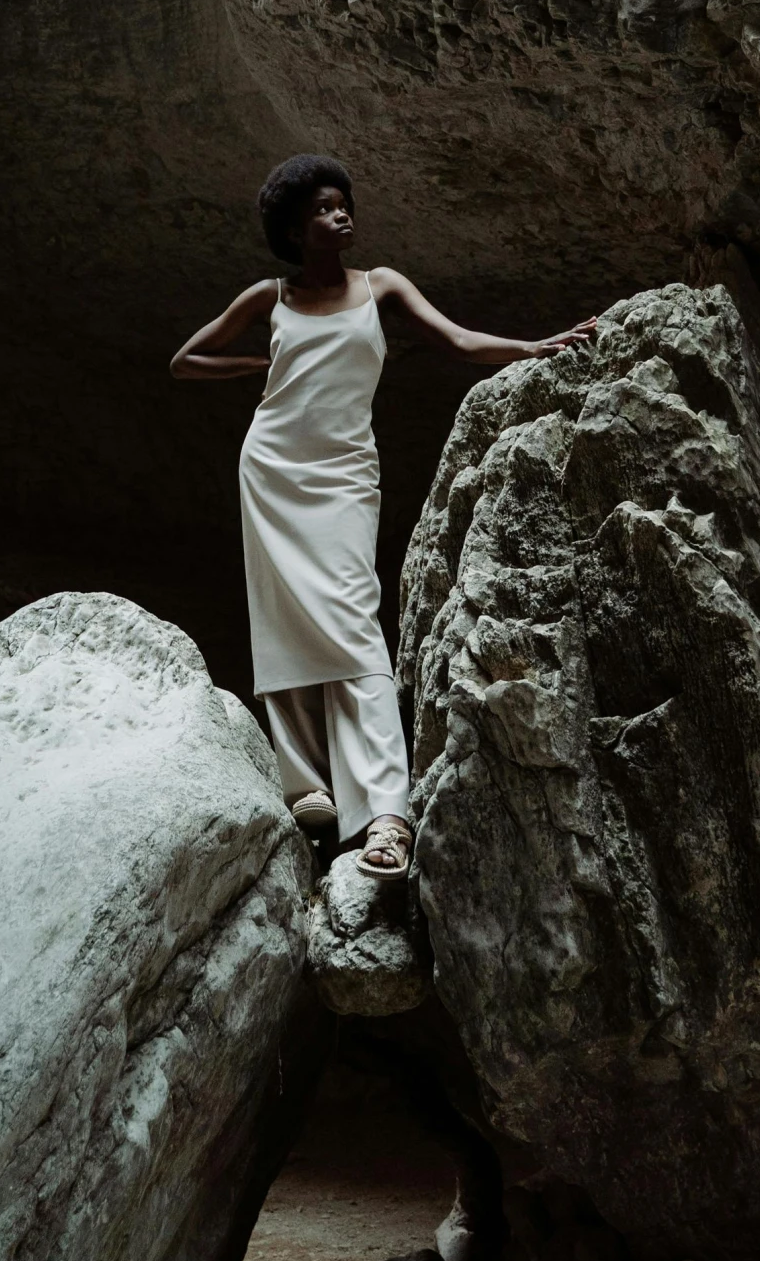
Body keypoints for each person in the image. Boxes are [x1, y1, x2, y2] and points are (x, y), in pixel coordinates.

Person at [170, 155, 598, 878]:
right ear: (295, 227)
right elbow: (186, 360)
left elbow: (458, 341)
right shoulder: (268, 297)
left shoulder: (382, 285)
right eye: (323, 209)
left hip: (343, 474)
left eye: (345, 205)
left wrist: (532, 346)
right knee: (285, 620)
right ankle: (309, 791)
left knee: (352, 622)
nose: (341, 216)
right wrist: (259, 370)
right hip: (273, 466)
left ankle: (387, 815)